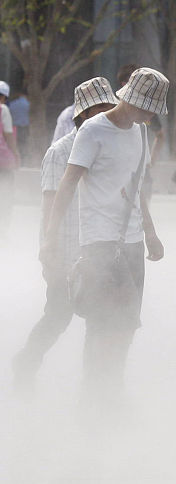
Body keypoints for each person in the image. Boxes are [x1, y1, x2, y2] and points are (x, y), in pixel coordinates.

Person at [41, 68, 168, 400]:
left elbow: (136, 186)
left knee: (127, 325)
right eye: (148, 108)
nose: (150, 116)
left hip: (132, 243)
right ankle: (94, 396)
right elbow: (67, 184)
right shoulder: (94, 130)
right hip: (99, 243)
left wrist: (150, 232)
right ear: (131, 100)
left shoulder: (141, 133)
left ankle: (113, 391)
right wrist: (50, 238)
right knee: (103, 326)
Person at [12, 79, 119, 389]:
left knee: (100, 320)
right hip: (66, 251)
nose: (106, 115)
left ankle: (93, 386)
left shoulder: (110, 149)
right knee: (58, 317)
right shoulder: (59, 152)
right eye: (99, 109)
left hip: (98, 251)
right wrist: (49, 253)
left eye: (109, 109)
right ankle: (26, 362)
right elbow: (48, 206)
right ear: (82, 114)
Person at [0, 82, 20, 233]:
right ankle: (3, 229)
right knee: (5, 195)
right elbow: (8, 136)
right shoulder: (3, 110)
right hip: (3, 162)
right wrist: (16, 154)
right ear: (4, 97)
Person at [7, 87, 30, 159]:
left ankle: (16, 159)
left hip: (14, 128)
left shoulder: (12, 104)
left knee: (15, 145)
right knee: (24, 144)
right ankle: (23, 159)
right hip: (25, 128)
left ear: (19, 94)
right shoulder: (29, 104)